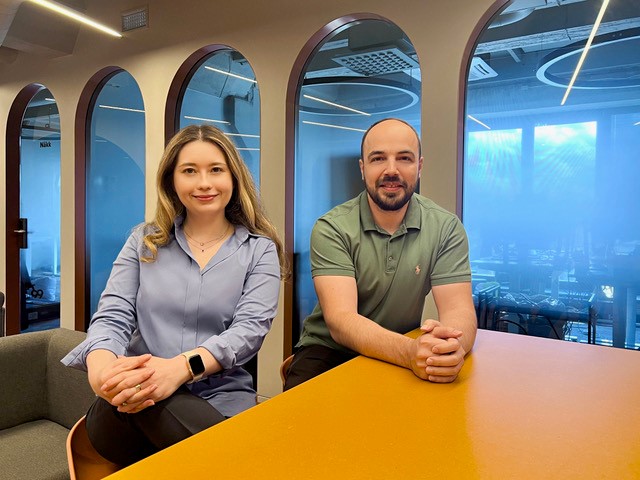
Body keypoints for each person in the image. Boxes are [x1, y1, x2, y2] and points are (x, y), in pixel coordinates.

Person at [63, 124, 287, 466]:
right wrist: (102, 372)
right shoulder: (144, 240)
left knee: (192, 430)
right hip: (127, 410)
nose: (204, 183)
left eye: (216, 170)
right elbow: (113, 315)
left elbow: (248, 333)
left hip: (217, 403)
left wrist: (180, 369)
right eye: (189, 171)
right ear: (172, 180)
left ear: (234, 177)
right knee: (215, 446)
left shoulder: (259, 251)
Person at [284, 118, 477, 390]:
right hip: (330, 350)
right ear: (363, 169)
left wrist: (451, 348)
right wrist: (409, 352)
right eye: (378, 159)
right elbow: (341, 321)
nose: (391, 170)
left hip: (398, 345)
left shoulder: (446, 227)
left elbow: (459, 309)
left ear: (419, 167)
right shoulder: (332, 227)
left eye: (404, 158)